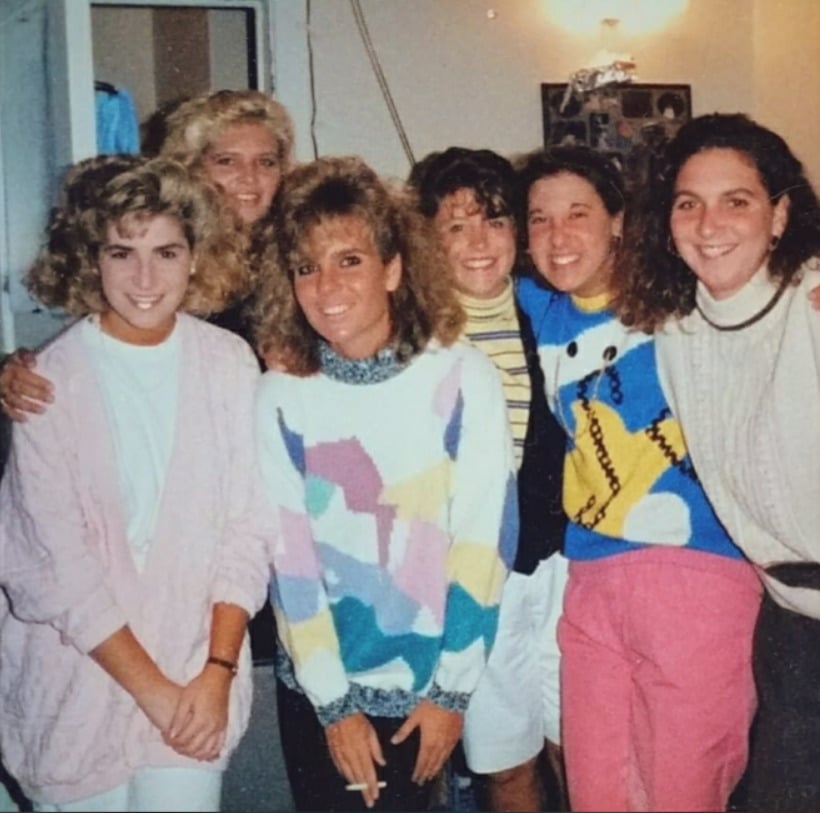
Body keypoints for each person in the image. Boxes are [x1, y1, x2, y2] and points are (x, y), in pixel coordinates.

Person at [0, 155, 273, 812]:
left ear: (195, 257)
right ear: (91, 258)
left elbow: (248, 529)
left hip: (197, 672)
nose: (145, 277)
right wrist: (152, 690)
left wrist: (216, 671)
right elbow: (52, 569)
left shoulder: (229, 363)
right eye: (123, 252)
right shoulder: (48, 383)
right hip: (78, 684)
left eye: (166, 251)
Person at [251, 155, 518, 812]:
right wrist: (332, 704)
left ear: (394, 268)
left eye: (349, 260)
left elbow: (484, 546)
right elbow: (290, 560)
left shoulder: (462, 377)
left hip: (425, 689)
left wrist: (452, 692)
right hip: (319, 686)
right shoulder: (281, 393)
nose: (326, 285)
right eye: (306, 266)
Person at [514, 145, 762, 812]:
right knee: (595, 794)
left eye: (577, 214)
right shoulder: (540, 308)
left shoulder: (684, 295)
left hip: (697, 574)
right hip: (590, 576)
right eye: (539, 219)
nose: (558, 236)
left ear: (619, 220)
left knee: (683, 793)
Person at [615, 112, 820, 812]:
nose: (710, 224)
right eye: (688, 203)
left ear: (781, 213)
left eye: (738, 200)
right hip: (792, 618)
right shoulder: (677, 331)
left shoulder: (813, 303)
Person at [409, 147, 568, 812]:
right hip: (475, 585)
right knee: (507, 765)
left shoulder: (556, 311)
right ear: (428, 239)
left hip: (567, 567)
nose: (478, 241)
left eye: (495, 220)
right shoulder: (411, 337)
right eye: (455, 225)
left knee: (586, 745)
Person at [0, 89, 295, 419]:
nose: (249, 178)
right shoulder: (148, 255)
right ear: (190, 168)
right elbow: (90, 346)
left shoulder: (295, 258)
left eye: (266, 162)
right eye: (227, 161)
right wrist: (18, 368)